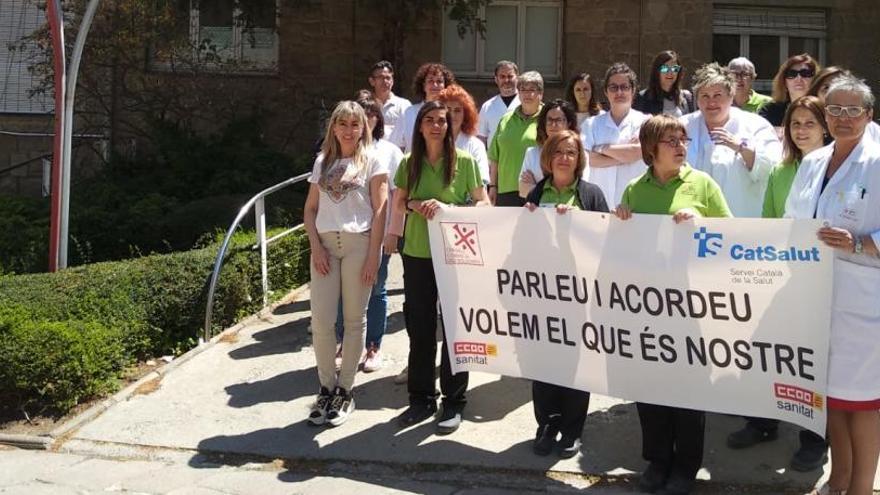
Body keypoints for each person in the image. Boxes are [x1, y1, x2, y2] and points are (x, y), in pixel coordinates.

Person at [615, 114, 732, 495]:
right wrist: (622, 218)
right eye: (671, 141)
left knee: (686, 390)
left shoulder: (703, 185)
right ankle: (658, 460)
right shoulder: (635, 188)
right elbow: (621, 245)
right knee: (649, 387)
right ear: (651, 149)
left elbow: (731, 236)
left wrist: (701, 222)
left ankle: (685, 467)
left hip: (691, 305)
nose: (682, 146)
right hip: (646, 306)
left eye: (684, 140)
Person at [785, 75, 880, 495]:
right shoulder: (812, 162)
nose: (843, 118)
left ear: (868, 115)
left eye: (852, 110)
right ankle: (837, 478)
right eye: (835, 109)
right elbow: (793, 220)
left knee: (863, 403)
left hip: (863, 301)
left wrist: (862, 242)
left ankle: (860, 487)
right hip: (816, 294)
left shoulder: (877, 162)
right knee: (831, 400)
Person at [725, 96, 830, 471]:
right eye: (796, 124)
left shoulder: (837, 170)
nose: (802, 131)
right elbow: (771, 221)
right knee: (766, 350)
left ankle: (815, 438)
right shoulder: (780, 171)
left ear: (825, 126)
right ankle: (763, 422)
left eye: (809, 123)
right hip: (782, 276)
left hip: (824, 282)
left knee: (813, 362)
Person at [388, 101, 489, 434]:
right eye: (429, 120)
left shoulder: (466, 162)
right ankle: (421, 399)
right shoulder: (408, 163)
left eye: (442, 121)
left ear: (450, 126)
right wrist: (417, 205)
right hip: (417, 253)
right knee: (420, 330)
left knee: (456, 331)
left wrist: (449, 208)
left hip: (456, 255)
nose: (436, 126)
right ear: (419, 126)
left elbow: (482, 203)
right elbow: (399, 203)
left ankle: (454, 401)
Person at [523, 129, 608, 459]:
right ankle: (547, 424)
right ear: (548, 156)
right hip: (541, 293)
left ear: (579, 158)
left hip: (579, 293)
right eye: (558, 151)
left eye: (571, 152)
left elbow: (606, 239)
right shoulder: (535, 194)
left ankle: (572, 429)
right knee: (544, 362)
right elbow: (519, 243)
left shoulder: (592, 194)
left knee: (575, 362)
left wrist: (581, 222)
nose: (564, 157)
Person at [303, 101, 388, 426]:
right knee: (322, 321)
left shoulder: (372, 161)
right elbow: (310, 209)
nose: (349, 130)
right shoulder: (323, 161)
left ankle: (345, 390)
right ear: (334, 128)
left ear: (363, 128)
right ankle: (325, 386)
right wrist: (315, 246)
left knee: (354, 320)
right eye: (343, 124)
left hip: (358, 244)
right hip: (325, 245)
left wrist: (373, 255)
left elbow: (380, 209)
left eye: (355, 124)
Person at [333, 98, 403, 373]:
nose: (368, 118)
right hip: (344, 236)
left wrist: (394, 232)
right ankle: (344, 344)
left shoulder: (389, 152)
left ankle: (373, 345)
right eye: (363, 114)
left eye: (372, 113)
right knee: (343, 292)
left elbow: (397, 196)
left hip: (378, 233)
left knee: (375, 289)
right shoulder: (338, 152)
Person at [682, 62, 782, 218]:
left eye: (717, 95)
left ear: (731, 95)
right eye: (705, 96)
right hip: (691, 222)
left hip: (740, 225)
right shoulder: (683, 126)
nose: (711, 102)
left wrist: (741, 147)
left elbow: (773, 169)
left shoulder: (756, 125)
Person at [583, 62, 649, 208]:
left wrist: (600, 149)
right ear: (606, 92)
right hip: (599, 205)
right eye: (613, 87)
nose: (619, 92)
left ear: (633, 91)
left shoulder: (646, 123)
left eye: (624, 87)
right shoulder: (591, 124)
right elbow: (588, 160)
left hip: (634, 205)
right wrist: (626, 156)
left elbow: (639, 152)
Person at [488, 71, 544, 206]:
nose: (527, 94)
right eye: (523, 89)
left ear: (540, 93)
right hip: (506, 191)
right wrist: (493, 186)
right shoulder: (506, 119)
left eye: (532, 90)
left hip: (536, 189)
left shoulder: (547, 119)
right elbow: (495, 157)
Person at [518, 99, 585, 198]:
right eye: (550, 120)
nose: (553, 125)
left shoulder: (579, 153)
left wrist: (534, 188)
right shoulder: (532, 153)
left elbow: (582, 191)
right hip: (537, 212)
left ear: (569, 123)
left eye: (558, 120)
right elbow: (523, 190)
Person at [389, 63, 456, 153]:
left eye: (439, 81)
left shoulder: (451, 113)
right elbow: (396, 147)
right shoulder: (409, 113)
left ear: (445, 85)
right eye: (430, 81)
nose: (435, 85)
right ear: (423, 85)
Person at [808, 67, 880, 143]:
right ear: (815, 94)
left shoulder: (869, 129)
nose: (832, 91)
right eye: (826, 87)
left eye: (839, 87)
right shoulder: (804, 124)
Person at [438, 84, 490, 185]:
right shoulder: (430, 140)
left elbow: (481, 182)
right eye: (447, 109)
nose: (452, 115)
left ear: (465, 115)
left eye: (457, 110)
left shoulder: (476, 145)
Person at [759, 53, 819, 135]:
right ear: (784, 82)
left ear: (815, 79)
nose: (799, 78)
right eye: (792, 74)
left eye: (805, 73)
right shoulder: (770, 111)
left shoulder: (823, 110)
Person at [633, 50, 695, 117]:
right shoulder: (643, 98)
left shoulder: (686, 97)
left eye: (674, 68)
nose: (670, 72)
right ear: (657, 71)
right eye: (665, 68)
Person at [478, 60, 520, 147]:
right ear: (496, 80)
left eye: (510, 76)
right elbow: (481, 138)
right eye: (502, 77)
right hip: (495, 160)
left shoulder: (526, 103)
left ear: (517, 78)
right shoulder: (487, 106)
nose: (506, 80)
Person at [367, 60, 412, 136]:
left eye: (388, 78)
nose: (385, 81)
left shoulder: (404, 105)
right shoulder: (366, 105)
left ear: (392, 81)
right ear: (372, 81)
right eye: (380, 77)